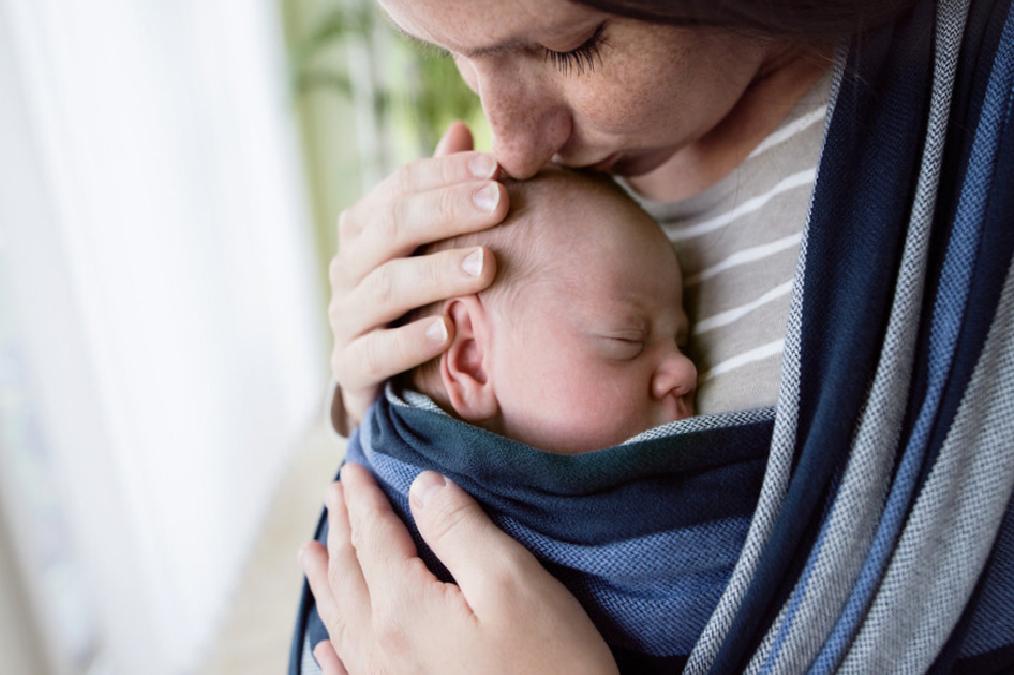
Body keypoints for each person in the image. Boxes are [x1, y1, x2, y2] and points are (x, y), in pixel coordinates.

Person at [292, 0, 1014, 672]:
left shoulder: (977, 161)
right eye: (450, 53)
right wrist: (392, 407)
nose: (509, 142)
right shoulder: (533, 219)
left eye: (566, 45)